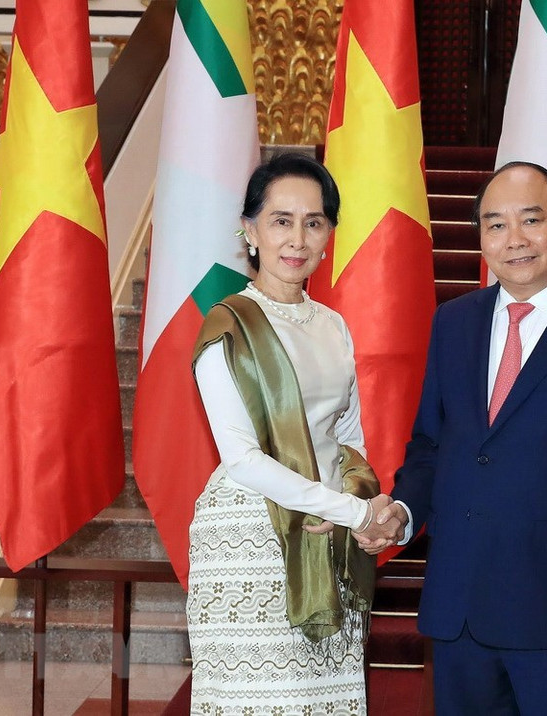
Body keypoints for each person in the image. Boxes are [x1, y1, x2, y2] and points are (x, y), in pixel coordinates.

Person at [360, 162, 547, 714]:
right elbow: (433, 445)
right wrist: (404, 510)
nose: (515, 239)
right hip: (462, 613)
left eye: (532, 219)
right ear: (481, 238)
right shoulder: (453, 323)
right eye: (495, 224)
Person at [186, 152, 390, 714]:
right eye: (280, 220)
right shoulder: (228, 323)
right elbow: (242, 459)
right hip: (251, 538)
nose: (297, 238)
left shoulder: (332, 324)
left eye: (314, 221)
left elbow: (350, 441)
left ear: (329, 235)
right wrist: (349, 511)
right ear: (249, 230)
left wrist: (361, 501)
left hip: (328, 538)